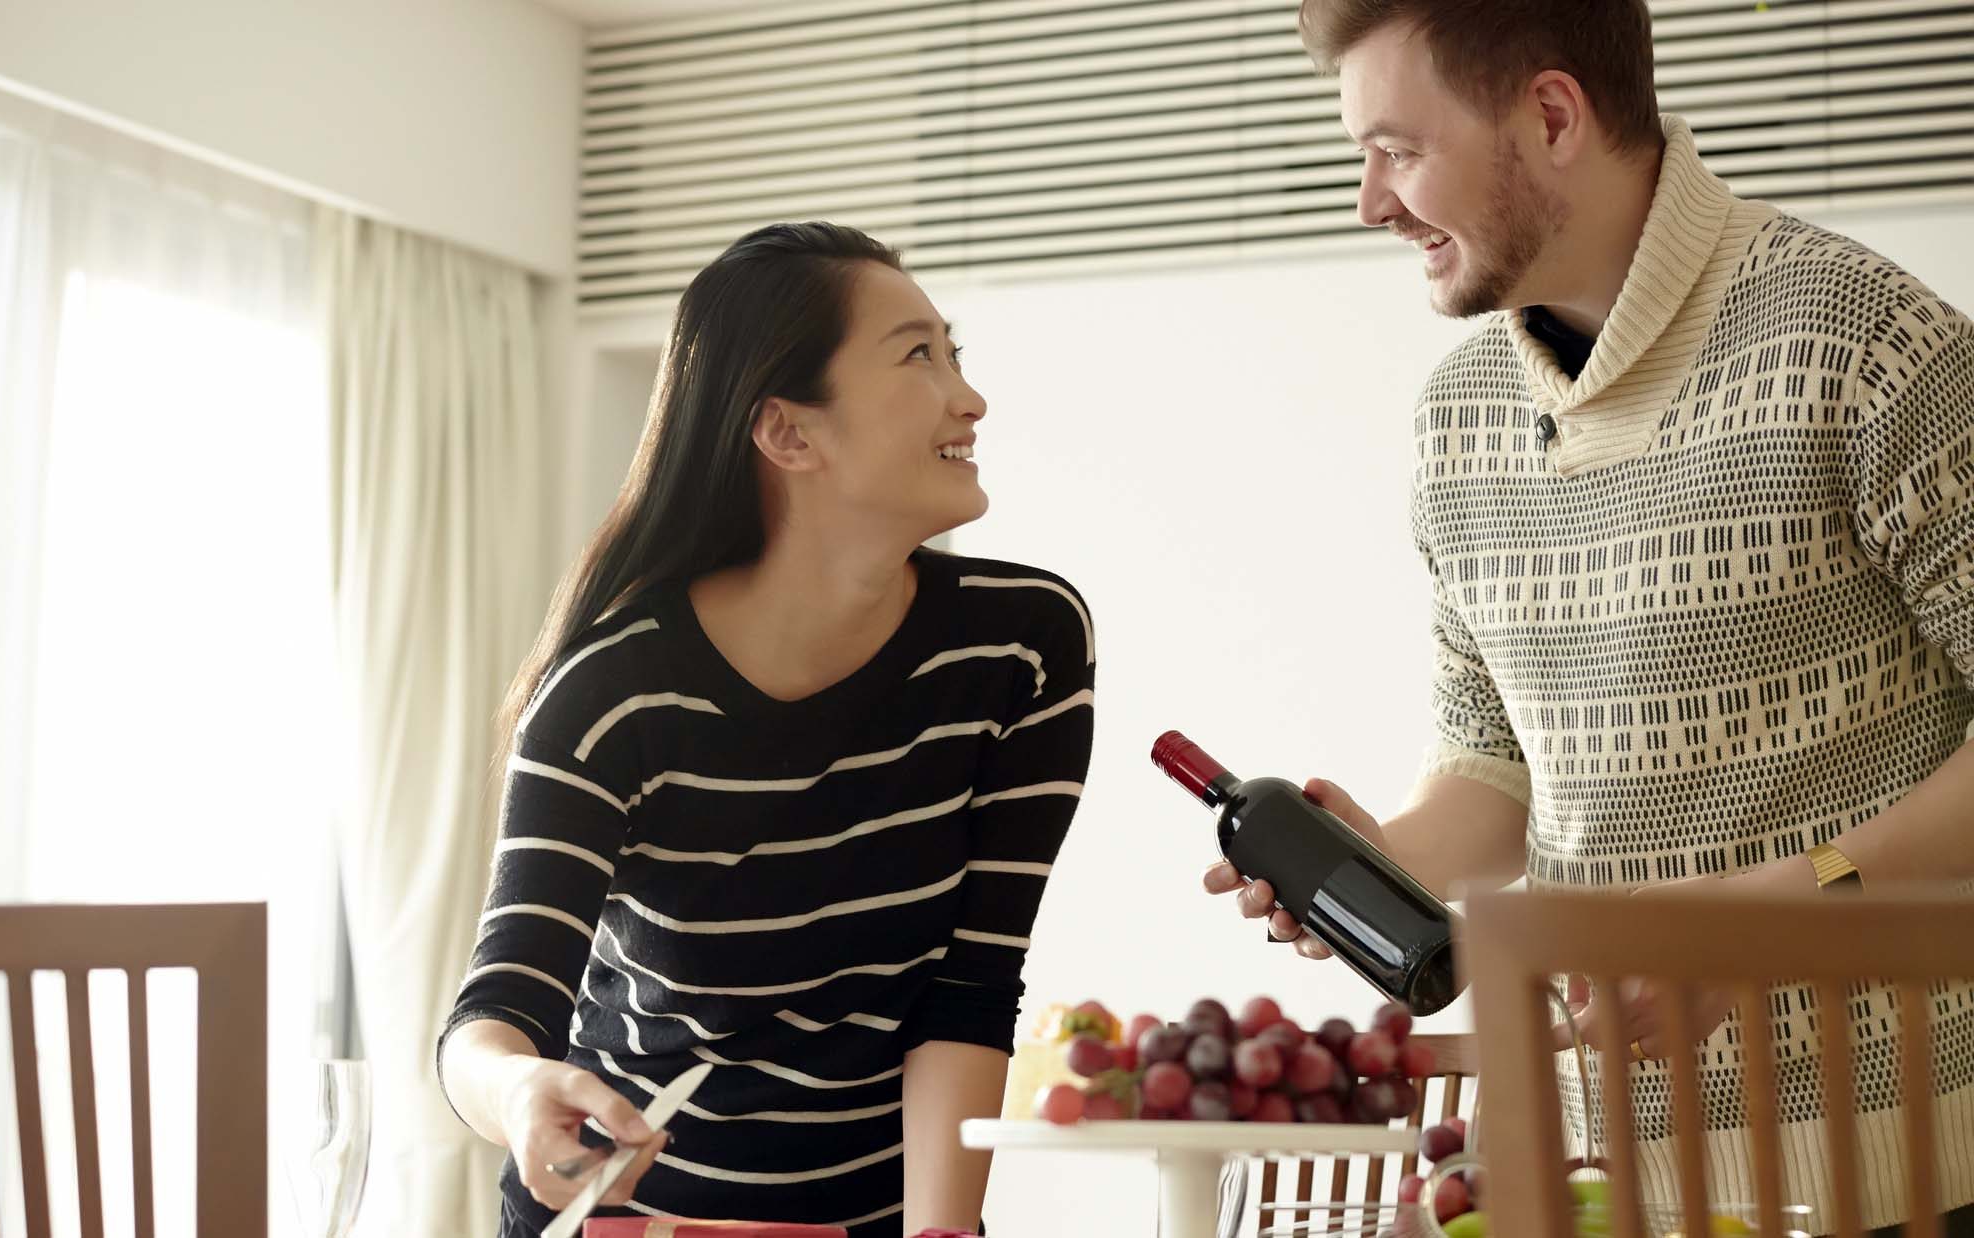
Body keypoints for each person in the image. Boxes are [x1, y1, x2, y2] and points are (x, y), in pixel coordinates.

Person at [1205, 3, 1974, 1232]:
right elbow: (1494, 775)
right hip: (1585, 1185)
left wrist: (1780, 912)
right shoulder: (1457, 420)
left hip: (1908, 1180)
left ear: (1551, 116)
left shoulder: (1861, 343)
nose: (1370, 201)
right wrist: (1385, 856)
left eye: (1397, 149)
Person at [439, 222, 1095, 1236]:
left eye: (951, 351)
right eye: (917, 355)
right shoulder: (613, 695)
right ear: (789, 433)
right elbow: (495, 1012)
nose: (967, 395)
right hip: (634, 1217)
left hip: (870, 1216)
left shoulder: (1021, 649)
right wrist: (521, 1091)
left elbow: (968, 984)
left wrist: (940, 1235)